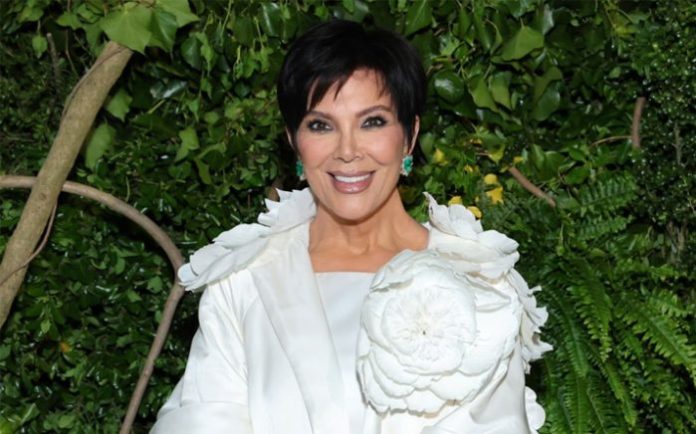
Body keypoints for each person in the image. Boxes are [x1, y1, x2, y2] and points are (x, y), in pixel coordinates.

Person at [151, 20, 551, 434]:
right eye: (320, 125)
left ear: (410, 135)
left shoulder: (482, 283)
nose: (347, 151)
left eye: (372, 122)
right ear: (294, 141)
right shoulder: (243, 283)